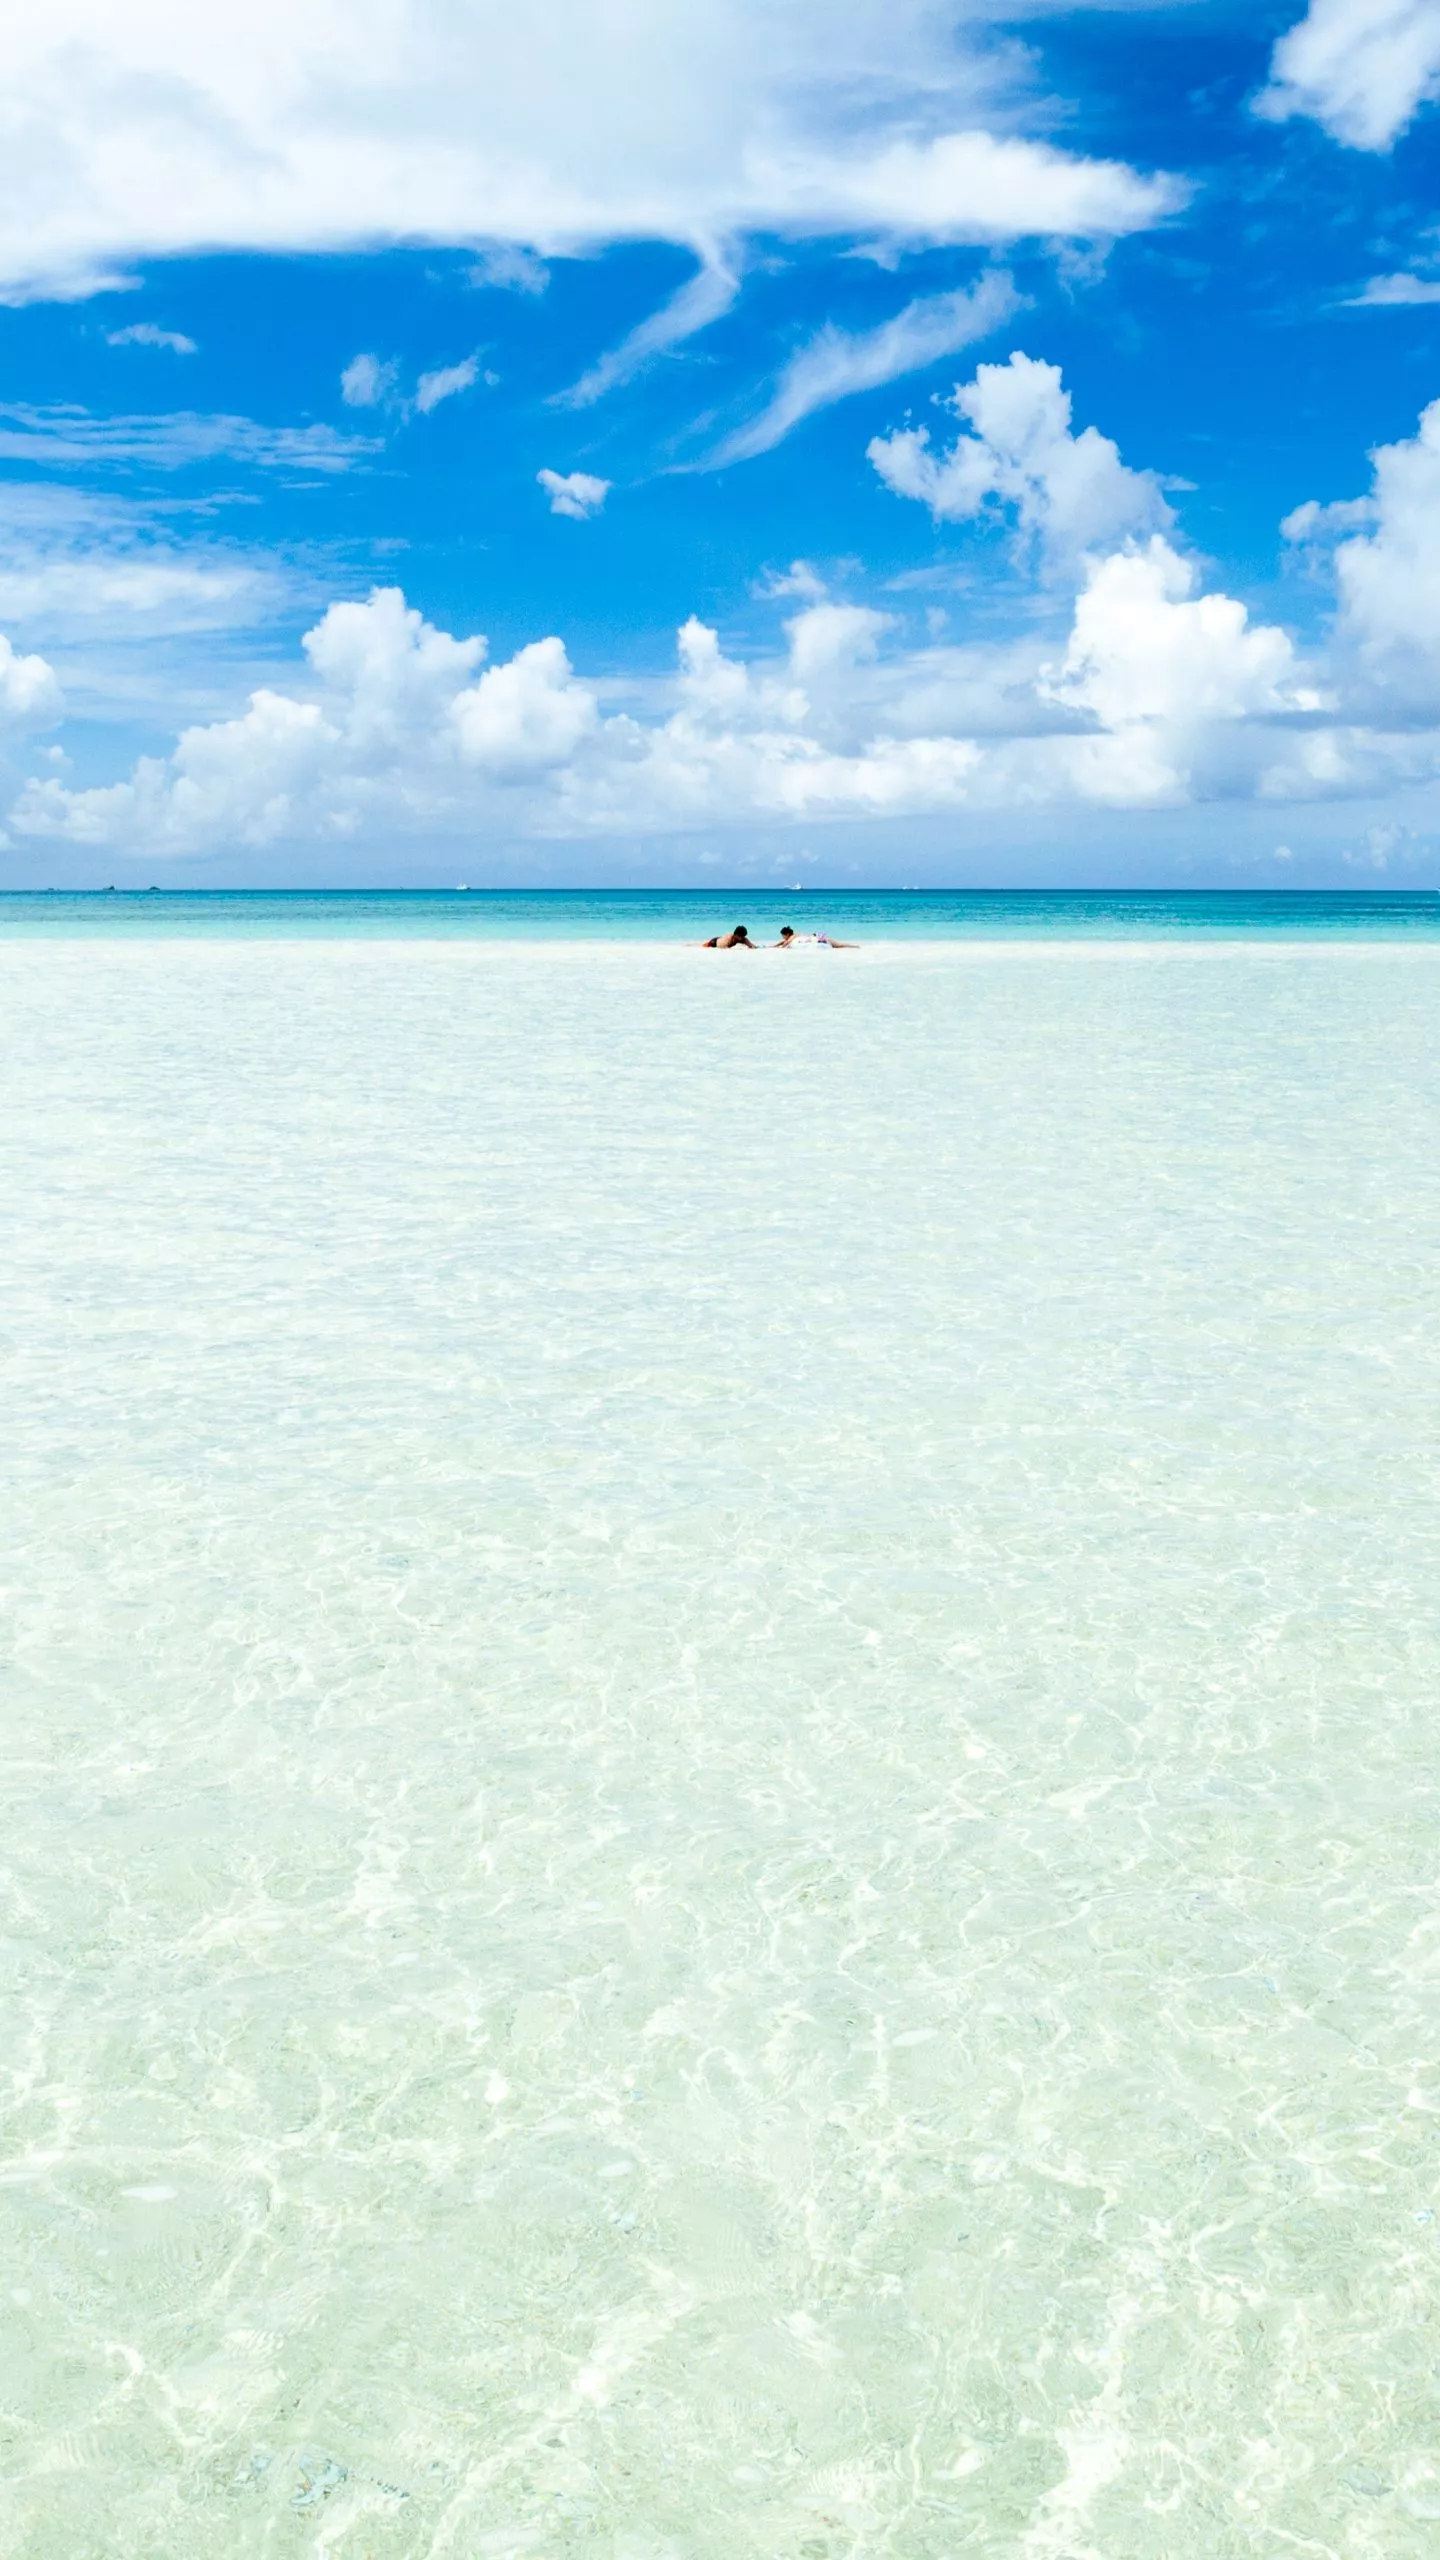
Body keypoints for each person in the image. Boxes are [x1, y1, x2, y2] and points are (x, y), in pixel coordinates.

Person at [772, 925, 858, 948]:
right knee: (838, 945)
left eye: (783, 936)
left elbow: (787, 942)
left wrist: (781, 948)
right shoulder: (794, 936)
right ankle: (854, 946)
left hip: (817, 938)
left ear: (787, 934)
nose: (782, 937)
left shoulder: (793, 936)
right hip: (816, 936)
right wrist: (774, 946)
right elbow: (782, 942)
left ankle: (854, 946)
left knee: (838, 945)